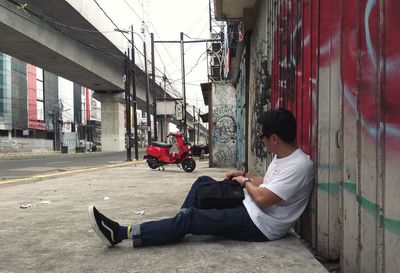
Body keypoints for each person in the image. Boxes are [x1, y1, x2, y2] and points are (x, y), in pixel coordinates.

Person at [88, 108, 314, 248]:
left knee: (190, 218)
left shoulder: (299, 166)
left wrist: (243, 183)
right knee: (202, 182)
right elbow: (267, 181)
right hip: (250, 207)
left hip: (260, 225)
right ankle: (176, 225)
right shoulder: (283, 156)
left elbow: (264, 198)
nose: (261, 141)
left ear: (274, 138)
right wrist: (243, 176)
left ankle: (120, 233)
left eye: (263, 137)